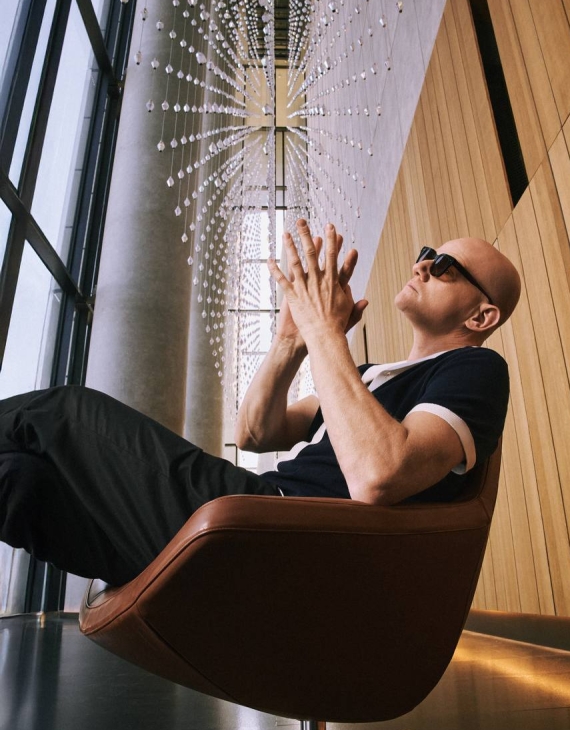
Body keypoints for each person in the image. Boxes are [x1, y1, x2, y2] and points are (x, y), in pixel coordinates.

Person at [0, 219, 520, 587]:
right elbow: (254, 432)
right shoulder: (364, 380)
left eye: (445, 266)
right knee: (19, 483)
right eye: (427, 253)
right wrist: (291, 342)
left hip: (278, 541)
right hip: (252, 526)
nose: (423, 264)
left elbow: (380, 474)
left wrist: (324, 330)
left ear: (481, 317)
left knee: (62, 413)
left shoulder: (476, 370)